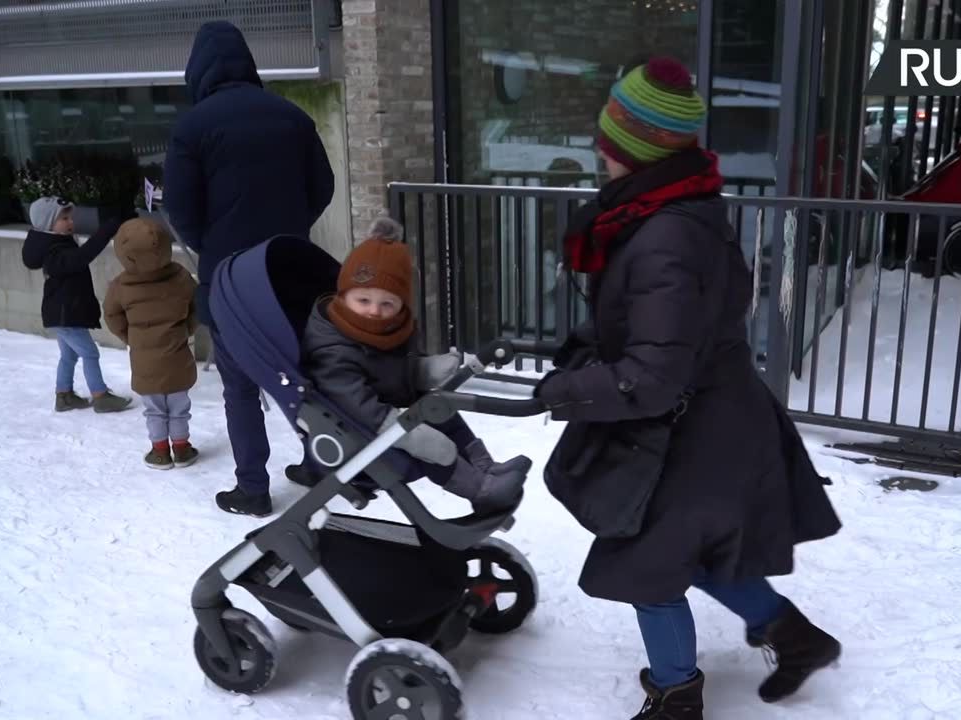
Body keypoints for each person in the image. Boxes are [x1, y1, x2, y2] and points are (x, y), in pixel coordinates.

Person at [532, 58, 843, 719]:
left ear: (636, 150)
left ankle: (675, 696)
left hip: (693, 428)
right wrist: (588, 354)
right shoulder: (673, 210)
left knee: (650, 561)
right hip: (710, 417)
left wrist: (567, 391)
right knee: (689, 551)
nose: (598, 147)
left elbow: (651, 375)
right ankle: (794, 636)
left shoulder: (664, 234)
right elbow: (664, 329)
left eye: (610, 137)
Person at [163, 20, 335, 516]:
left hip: (230, 279)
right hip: (289, 270)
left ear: (197, 69)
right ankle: (318, 465)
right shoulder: (292, 117)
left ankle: (252, 489)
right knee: (306, 371)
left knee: (240, 386)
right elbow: (321, 187)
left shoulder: (192, 127)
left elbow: (181, 207)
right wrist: (291, 232)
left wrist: (212, 246)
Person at [302, 215, 531, 513]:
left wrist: (422, 370)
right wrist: (404, 431)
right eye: (363, 300)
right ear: (344, 296)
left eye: (387, 304)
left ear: (401, 306)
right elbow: (353, 402)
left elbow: (388, 369)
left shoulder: (390, 330)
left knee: (441, 408)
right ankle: (479, 490)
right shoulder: (333, 348)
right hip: (361, 430)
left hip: (394, 408)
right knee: (433, 445)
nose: (374, 311)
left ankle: (484, 467)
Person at [102, 218, 200, 470]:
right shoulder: (180, 276)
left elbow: (112, 316)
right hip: (178, 357)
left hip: (145, 362)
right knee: (179, 407)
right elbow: (197, 307)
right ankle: (181, 449)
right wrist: (186, 329)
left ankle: (160, 452)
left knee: (155, 409)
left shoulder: (121, 286)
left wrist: (131, 337)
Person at [21, 197, 133, 414]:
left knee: (69, 355)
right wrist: (109, 228)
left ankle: (64, 396)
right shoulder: (53, 251)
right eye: (63, 218)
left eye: (70, 217)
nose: (70, 221)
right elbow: (82, 257)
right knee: (90, 353)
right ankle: (100, 396)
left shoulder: (56, 243)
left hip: (66, 313)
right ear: (48, 223)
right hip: (65, 315)